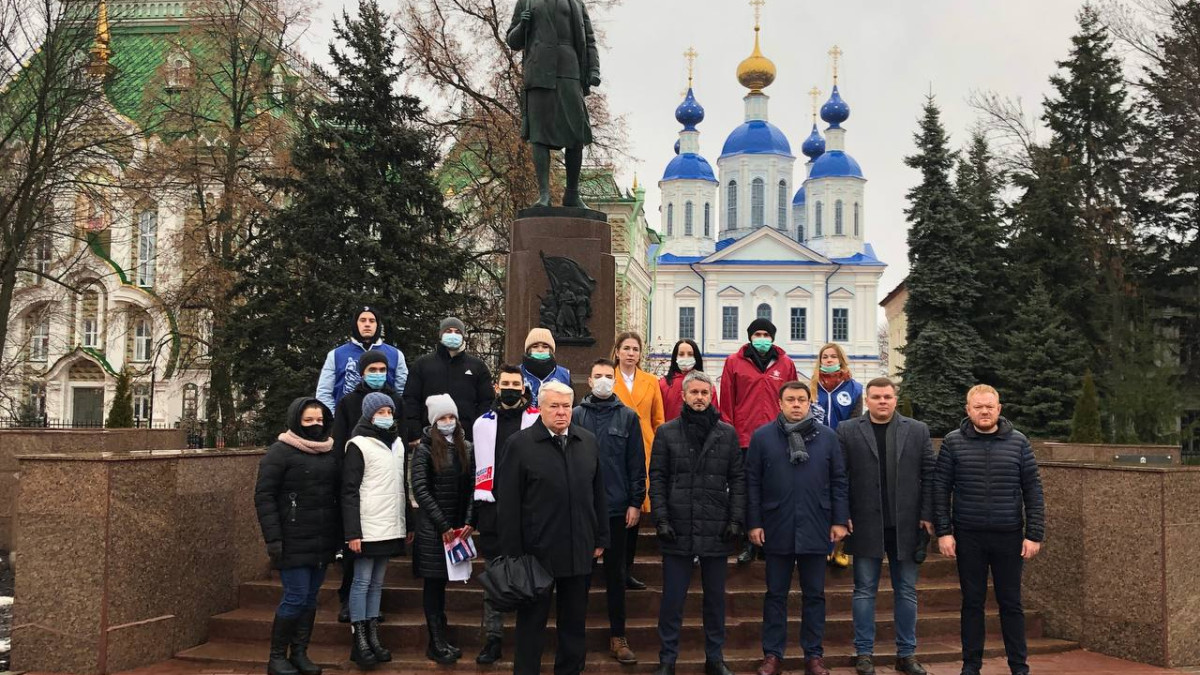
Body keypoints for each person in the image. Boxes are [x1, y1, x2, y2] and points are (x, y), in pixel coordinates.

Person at [496, 381, 609, 675]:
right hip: (535, 555)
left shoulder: (587, 442)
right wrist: (513, 554)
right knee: (531, 627)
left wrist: (600, 537)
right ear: (540, 408)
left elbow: (598, 494)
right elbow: (508, 504)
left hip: (578, 550)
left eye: (566, 406)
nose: (561, 412)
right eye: (554, 406)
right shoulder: (520, 445)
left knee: (574, 626)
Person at [935, 385, 1045, 675]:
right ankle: (971, 666)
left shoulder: (1019, 442)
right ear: (968, 410)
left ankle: (1019, 667)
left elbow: (1033, 490)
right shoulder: (953, 442)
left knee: (1011, 604)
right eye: (978, 407)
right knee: (972, 603)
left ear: (999, 409)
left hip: (1009, 536)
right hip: (968, 536)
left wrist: (1034, 534)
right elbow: (940, 489)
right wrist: (944, 532)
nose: (984, 411)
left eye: (989, 406)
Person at [747, 381, 849, 675]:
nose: (796, 404)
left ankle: (814, 656)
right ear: (779, 403)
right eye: (790, 400)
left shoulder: (827, 437)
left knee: (814, 595)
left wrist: (839, 520)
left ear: (809, 403)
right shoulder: (762, 437)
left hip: (816, 524)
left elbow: (839, 480)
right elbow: (752, 482)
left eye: (801, 400)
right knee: (775, 594)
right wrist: (753, 522)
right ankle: (772, 655)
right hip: (776, 524)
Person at [648, 369, 743, 675]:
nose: (700, 398)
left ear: (711, 396)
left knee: (715, 600)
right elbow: (657, 478)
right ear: (684, 395)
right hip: (678, 527)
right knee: (672, 601)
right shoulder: (667, 432)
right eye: (694, 393)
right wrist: (661, 518)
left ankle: (715, 658)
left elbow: (738, 479)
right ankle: (667, 659)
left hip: (715, 526)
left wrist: (735, 519)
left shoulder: (727, 434)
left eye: (704, 393)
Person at [836, 378, 934, 675]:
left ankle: (906, 654)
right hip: (865, 524)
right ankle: (864, 653)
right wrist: (841, 514)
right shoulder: (847, 430)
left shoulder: (917, 430)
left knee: (906, 591)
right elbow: (839, 476)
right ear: (867, 400)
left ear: (895, 399)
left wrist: (927, 514)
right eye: (876, 396)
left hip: (907, 525)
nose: (882, 401)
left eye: (887, 396)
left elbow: (929, 474)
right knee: (864, 591)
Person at [254, 397, 340, 675]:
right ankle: (277, 656)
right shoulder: (280, 452)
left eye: (320, 420)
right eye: (309, 420)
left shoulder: (329, 451)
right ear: (296, 421)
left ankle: (300, 652)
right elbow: (264, 496)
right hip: (291, 540)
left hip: (321, 539)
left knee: (311, 598)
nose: (316, 425)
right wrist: (273, 539)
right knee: (295, 596)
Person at [573, 359, 646, 664]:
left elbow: (636, 463)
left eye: (608, 376)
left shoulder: (628, 416)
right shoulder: (575, 415)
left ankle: (618, 636)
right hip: (583, 510)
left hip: (616, 509)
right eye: (597, 375)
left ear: (614, 381)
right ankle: (575, 638)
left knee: (616, 576)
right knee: (580, 577)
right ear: (589, 381)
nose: (603, 380)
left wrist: (635, 502)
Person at [330, 350, 406, 624]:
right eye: (372, 370)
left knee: (375, 575)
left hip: (385, 500)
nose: (377, 374)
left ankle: (369, 619)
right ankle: (351, 608)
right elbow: (340, 442)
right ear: (362, 372)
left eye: (382, 369)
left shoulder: (396, 401)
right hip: (359, 492)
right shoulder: (348, 403)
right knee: (357, 567)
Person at [472, 365, 540, 665]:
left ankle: (528, 636)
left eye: (516, 383)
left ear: (523, 388)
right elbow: (474, 467)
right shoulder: (482, 424)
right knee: (495, 575)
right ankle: (493, 637)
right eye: (505, 383)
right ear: (496, 387)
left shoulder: (537, 420)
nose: (511, 388)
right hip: (494, 508)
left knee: (530, 574)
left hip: (529, 510)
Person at [505, 0, 600, 209]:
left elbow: (589, 39)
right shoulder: (527, 1)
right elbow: (513, 41)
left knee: (576, 134)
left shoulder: (576, 3)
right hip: (539, 71)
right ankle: (544, 195)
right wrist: (522, 25)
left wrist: (594, 69)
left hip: (570, 70)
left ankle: (572, 194)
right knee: (539, 135)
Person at [719, 318, 797, 565]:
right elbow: (727, 400)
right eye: (757, 334)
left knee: (774, 489)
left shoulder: (785, 364)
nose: (762, 339)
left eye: (766, 334)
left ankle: (771, 541)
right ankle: (748, 542)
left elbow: (794, 397)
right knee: (746, 490)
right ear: (750, 337)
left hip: (778, 438)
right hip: (744, 438)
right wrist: (730, 432)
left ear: (772, 338)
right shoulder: (734, 362)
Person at [341, 393, 408, 669]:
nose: (386, 416)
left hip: (390, 524)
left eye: (389, 411)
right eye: (380, 412)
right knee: (361, 581)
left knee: (377, 583)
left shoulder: (397, 443)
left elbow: (401, 485)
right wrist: (352, 532)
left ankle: (372, 635)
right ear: (369, 415)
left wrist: (408, 523)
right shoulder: (358, 444)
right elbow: (349, 490)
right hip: (367, 526)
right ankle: (359, 639)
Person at [411, 394, 476, 664]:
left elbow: (473, 486)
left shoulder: (467, 447)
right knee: (434, 585)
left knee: (445, 583)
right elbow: (421, 489)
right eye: (442, 418)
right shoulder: (424, 449)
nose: (448, 422)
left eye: (451, 417)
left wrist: (470, 520)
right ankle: (436, 641)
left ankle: (443, 637)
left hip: (457, 528)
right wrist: (442, 524)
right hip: (434, 530)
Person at [611, 331, 663, 590]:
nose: (631, 353)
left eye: (635, 349)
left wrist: (658, 447)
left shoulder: (651, 381)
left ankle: (627, 569)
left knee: (636, 507)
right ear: (617, 351)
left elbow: (658, 419)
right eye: (626, 348)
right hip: (615, 448)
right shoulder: (608, 379)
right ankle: (614, 568)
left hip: (644, 446)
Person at [811, 343, 862, 568]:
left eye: (833, 356)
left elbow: (855, 420)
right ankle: (824, 543)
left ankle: (841, 546)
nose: (829, 360)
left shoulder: (854, 388)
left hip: (844, 448)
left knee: (843, 493)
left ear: (841, 360)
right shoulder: (812, 387)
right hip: (817, 448)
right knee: (820, 494)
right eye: (825, 357)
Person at [403, 317, 494, 442]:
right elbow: (411, 400)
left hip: (467, 438)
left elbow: (486, 401)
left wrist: (478, 431)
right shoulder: (422, 365)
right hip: (429, 438)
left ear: (463, 336)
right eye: (448, 331)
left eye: (457, 332)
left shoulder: (477, 366)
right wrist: (415, 434)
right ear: (441, 334)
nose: (453, 335)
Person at [316, 306, 408, 412]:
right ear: (355, 324)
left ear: (378, 324)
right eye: (363, 320)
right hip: (346, 418)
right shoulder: (336, 355)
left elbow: (402, 392)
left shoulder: (395, 355)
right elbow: (324, 393)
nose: (367, 324)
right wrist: (333, 418)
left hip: (384, 417)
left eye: (372, 321)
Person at [658, 338, 719, 422]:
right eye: (681, 354)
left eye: (690, 354)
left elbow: (714, 415)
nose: (685, 358)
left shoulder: (707, 385)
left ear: (696, 357)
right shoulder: (663, 384)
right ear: (675, 357)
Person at [520, 327, 571, 407]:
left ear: (551, 350)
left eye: (545, 346)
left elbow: (571, 405)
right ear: (529, 350)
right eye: (535, 346)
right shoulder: (517, 373)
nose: (540, 350)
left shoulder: (564, 374)